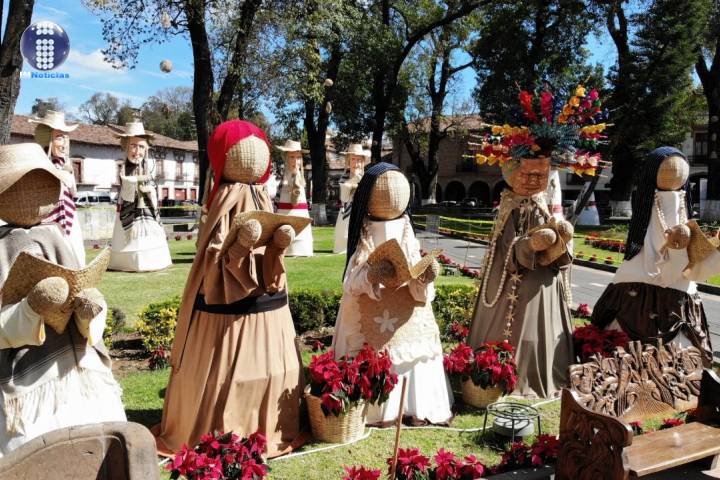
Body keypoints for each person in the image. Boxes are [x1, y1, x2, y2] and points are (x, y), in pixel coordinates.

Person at [156, 120, 305, 458]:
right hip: (226, 316)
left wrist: (272, 244)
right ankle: (245, 251)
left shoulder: (256, 195)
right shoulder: (230, 198)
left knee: (264, 259)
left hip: (262, 311)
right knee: (226, 262)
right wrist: (236, 248)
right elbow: (213, 254)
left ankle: (270, 249)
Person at [467, 84, 609, 398]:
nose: (533, 180)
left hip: (542, 289)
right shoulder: (509, 208)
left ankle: (543, 370)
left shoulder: (544, 208)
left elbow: (559, 258)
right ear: (510, 172)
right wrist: (529, 246)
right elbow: (505, 248)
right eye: (527, 174)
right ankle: (497, 370)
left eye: (540, 175)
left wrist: (559, 245)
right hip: (508, 288)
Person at [0, 143, 125, 457]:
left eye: (42, 183)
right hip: (30, 390)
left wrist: (88, 310)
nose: (32, 193)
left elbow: (80, 292)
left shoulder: (57, 236)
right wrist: (31, 310)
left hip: (79, 372)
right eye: (20, 185)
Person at [332, 162, 453, 426]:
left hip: (408, 310)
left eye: (397, 192)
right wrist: (371, 276)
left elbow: (416, 273)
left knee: (413, 346)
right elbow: (352, 282)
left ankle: (409, 403)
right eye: (384, 192)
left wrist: (424, 277)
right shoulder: (364, 230)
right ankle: (373, 404)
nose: (391, 197)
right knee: (364, 343)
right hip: (367, 311)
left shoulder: (406, 230)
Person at [591, 147, 720, 366]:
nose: (673, 175)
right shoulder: (650, 204)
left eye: (679, 171)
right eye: (666, 170)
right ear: (653, 173)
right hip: (641, 271)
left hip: (667, 280)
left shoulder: (680, 204)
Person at [108, 120, 172, 272]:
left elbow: (151, 188)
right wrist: (134, 182)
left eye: (141, 147)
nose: (137, 151)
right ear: (126, 147)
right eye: (133, 146)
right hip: (130, 206)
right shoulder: (125, 169)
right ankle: (126, 262)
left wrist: (150, 191)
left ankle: (153, 260)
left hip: (146, 207)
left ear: (146, 149)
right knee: (128, 236)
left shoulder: (146, 169)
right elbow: (125, 186)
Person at [29, 110, 85, 266]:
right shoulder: (42, 166)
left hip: (68, 214)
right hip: (49, 218)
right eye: (59, 137)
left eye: (66, 137)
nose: (65, 143)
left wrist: (68, 171)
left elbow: (73, 192)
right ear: (48, 140)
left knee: (74, 251)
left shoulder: (65, 164)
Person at [276, 140, 313, 256]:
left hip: (300, 214)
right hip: (285, 214)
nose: (295, 161)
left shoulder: (301, 178)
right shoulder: (282, 179)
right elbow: (278, 198)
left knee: (301, 235)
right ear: (286, 158)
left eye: (298, 157)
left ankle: (302, 248)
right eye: (292, 157)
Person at [333, 144, 369, 254]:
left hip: (361, 211)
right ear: (348, 161)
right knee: (344, 233)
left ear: (362, 162)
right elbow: (343, 198)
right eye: (353, 159)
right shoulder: (344, 178)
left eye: (358, 160)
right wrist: (351, 183)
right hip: (346, 211)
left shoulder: (366, 178)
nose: (356, 163)